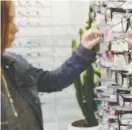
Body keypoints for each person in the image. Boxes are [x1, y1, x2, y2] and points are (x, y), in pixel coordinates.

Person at [1, 1, 101, 130]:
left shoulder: (13, 65)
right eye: (9, 20)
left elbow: (53, 80)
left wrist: (84, 50)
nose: (15, 28)